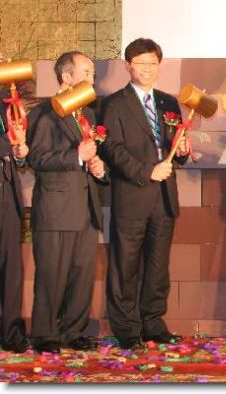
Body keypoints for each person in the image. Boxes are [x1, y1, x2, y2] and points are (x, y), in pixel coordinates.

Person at [100, 38, 189, 350]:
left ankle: (153, 323)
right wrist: (146, 171)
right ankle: (127, 328)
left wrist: (182, 150)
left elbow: (173, 146)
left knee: (157, 266)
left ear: (159, 65)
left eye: (152, 63)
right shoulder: (114, 104)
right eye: (140, 63)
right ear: (128, 66)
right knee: (124, 266)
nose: (147, 69)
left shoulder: (168, 103)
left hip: (164, 198)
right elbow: (112, 149)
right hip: (132, 196)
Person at [27, 51, 106, 354]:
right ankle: (45, 334)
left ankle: (73, 331)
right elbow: (37, 158)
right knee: (52, 274)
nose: (92, 78)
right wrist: (76, 156)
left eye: (93, 73)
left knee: (82, 273)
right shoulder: (45, 112)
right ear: (67, 77)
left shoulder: (88, 114)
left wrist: (97, 167)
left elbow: (90, 157)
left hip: (86, 207)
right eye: (86, 72)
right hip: (56, 209)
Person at [0, 77, 30, 354]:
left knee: (11, 266)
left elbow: (16, 148)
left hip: (6, 189)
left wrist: (20, 153)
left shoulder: (7, 101)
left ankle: (10, 332)